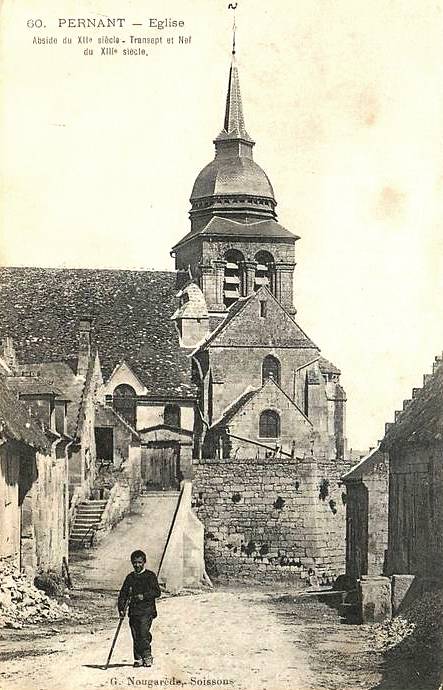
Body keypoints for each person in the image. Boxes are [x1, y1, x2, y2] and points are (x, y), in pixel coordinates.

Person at [117, 549, 161, 668]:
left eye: (139, 562)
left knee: (143, 632)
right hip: (134, 611)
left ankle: (147, 656)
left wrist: (144, 596)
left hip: (147, 610)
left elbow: (157, 592)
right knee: (135, 634)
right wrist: (121, 609)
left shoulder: (150, 576)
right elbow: (123, 594)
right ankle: (138, 658)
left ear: (144, 562)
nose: (137, 565)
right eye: (135, 563)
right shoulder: (130, 577)